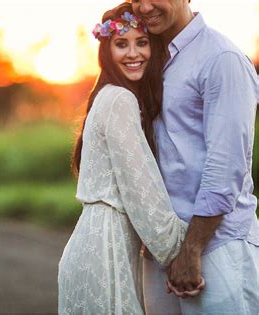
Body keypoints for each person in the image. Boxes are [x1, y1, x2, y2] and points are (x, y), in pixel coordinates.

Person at [57, 3, 200, 314]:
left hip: (98, 246)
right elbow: (142, 191)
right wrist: (187, 249)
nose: (133, 53)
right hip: (104, 253)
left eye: (142, 42)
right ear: (107, 51)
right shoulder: (119, 99)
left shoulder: (111, 96)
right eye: (122, 44)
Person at [130, 0, 259, 314]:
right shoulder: (149, 58)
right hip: (163, 249)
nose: (143, 7)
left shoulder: (221, 58)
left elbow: (226, 164)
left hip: (215, 246)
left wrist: (193, 247)